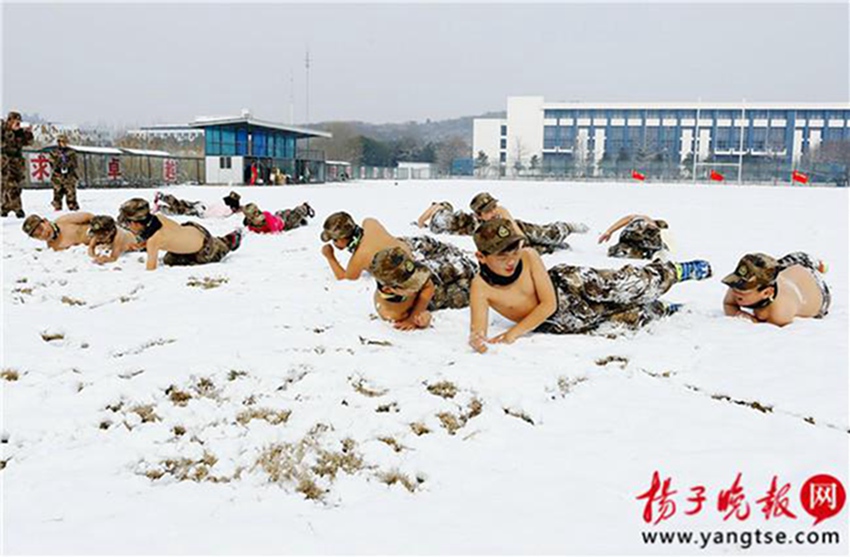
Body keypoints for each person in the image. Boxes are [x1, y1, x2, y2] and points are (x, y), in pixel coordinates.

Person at [467, 219, 713, 352]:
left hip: (570, 285)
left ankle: (675, 271)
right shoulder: (481, 287)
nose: (511, 260)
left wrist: (512, 334)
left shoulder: (529, 255)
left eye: (514, 251)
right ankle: (661, 308)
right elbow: (478, 331)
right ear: (481, 257)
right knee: (625, 319)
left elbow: (548, 302)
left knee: (626, 284)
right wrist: (478, 341)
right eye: (501, 257)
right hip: (560, 320)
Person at [371, 238, 478, 330]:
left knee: (451, 265)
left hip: (430, 271)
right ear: (388, 290)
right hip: (434, 297)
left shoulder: (401, 276)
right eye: (412, 284)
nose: (420, 281)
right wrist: (418, 317)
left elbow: (427, 283)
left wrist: (415, 314)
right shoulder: (393, 312)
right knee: (471, 289)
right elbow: (428, 289)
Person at [118, 198, 242, 271]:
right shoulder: (158, 218)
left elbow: (151, 269)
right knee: (169, 259)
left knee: (221, 247)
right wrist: (141, 245)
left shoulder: (154, 241)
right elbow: (168, 236)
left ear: (136, 223)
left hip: (204, 249)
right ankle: (222, 240)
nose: (128, 227)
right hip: (193, 229)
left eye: (128, 223)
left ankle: (230, 240)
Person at [721, 252, 830, 326]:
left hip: (819, 291)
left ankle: (817, 264)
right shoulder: (738, 290)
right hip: (790, 273)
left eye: (742, 290)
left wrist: (754, 322)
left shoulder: (779, 313)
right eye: (734, 285)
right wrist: (739, 314)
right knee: (773, 265)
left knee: (799, 260)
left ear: (766, 293)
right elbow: (728, 304)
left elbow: (767, 332)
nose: (735, 291)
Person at [469, 191, 589, 255]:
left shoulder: (501, 212)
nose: (494, 212)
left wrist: (506, 216)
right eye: (488, 211)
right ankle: (557, 247)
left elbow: (521, 237)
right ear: (479, 215)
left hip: (520, 230)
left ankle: (569, 227)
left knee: (550, 234)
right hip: (514, 244)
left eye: (494, 207)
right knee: (537, 251)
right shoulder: (481, 233)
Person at [320, 211, 409, 281]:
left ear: (342, 239)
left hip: (408, 266)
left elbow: (344, 278)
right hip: (409, 246)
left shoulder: (358, 258)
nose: (334, 243)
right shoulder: (369, 223)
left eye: (334, 240)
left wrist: (330, 257)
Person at [1, 111, 34, 218]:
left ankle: (5, 207)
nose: (18, 124)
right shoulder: (2, 130)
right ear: (10, 121)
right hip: (5, 160)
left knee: (16, 185)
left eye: (19, 122)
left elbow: (29, 143)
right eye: (16, 121)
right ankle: (17, 208)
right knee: (9, 185)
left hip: (17, 162)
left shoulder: (20, 132)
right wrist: (11, 132)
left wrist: (28, 133)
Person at [598, 214, 670, 259]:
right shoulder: (648, 220)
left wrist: (609, 231)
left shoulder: (644, 218)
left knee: (628, 247)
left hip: (629, 237)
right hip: (638, 233)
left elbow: (628, 218)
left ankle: (621, 251)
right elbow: (630, 218)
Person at [22, 212, 94, 251]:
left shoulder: (63, 221)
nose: (43, 234)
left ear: (45, 221)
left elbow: (89, 216)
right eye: (37, 235)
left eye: (41, 229)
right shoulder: (54, 247)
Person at [152, 190, 242, 219]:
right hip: (201, 211)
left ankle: (161, 197)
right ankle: (160, 207)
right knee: (180, 210)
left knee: (180, 204)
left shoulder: (223, 200)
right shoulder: (228, 209)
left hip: (201, 204)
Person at [242, 202, 315, 234]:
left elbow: (275, 231)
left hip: (284, 222)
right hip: (277, 216)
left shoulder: (266, 216)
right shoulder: (251, 225)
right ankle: (300, 220)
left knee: (295, 216)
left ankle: (305, 207)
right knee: (292, 216)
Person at [49, 135, 80, 211]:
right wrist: (59, 163)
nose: (64, 143)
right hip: (58, 175)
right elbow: (52, 163)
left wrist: (68, 165)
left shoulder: (71, 152)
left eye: (65, 142)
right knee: (57, 191)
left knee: (70, 191)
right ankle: (57, 205)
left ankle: (72, 205)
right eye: (62, 142)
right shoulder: (54, 152)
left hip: (69, 175)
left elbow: (75, 163)